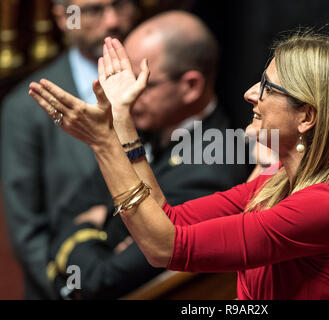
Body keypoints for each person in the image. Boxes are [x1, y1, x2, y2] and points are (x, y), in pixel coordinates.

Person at [29, 30, 329, 299]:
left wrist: (104, 143)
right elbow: (169, 220)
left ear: (307, 116)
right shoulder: (272, 185)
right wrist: (121, 119)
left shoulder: (325, 206)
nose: (250, 93)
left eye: (267, 86)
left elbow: (163, 248)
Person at [45, 11, 250, 299]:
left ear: (191, 86)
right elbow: (65, 215)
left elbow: (102, 282)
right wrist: (98, 237)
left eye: (144, 83)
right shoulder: (143, 127)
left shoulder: (211, 170)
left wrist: (88, 230)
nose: (126, 96)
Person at [0, 0, 138, 299]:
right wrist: (74, 288)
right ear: (64, 18)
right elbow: (27, 231)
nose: (113, 20)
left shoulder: (154, 79)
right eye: (94, 10)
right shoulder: (24, 108)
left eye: (120, 4)